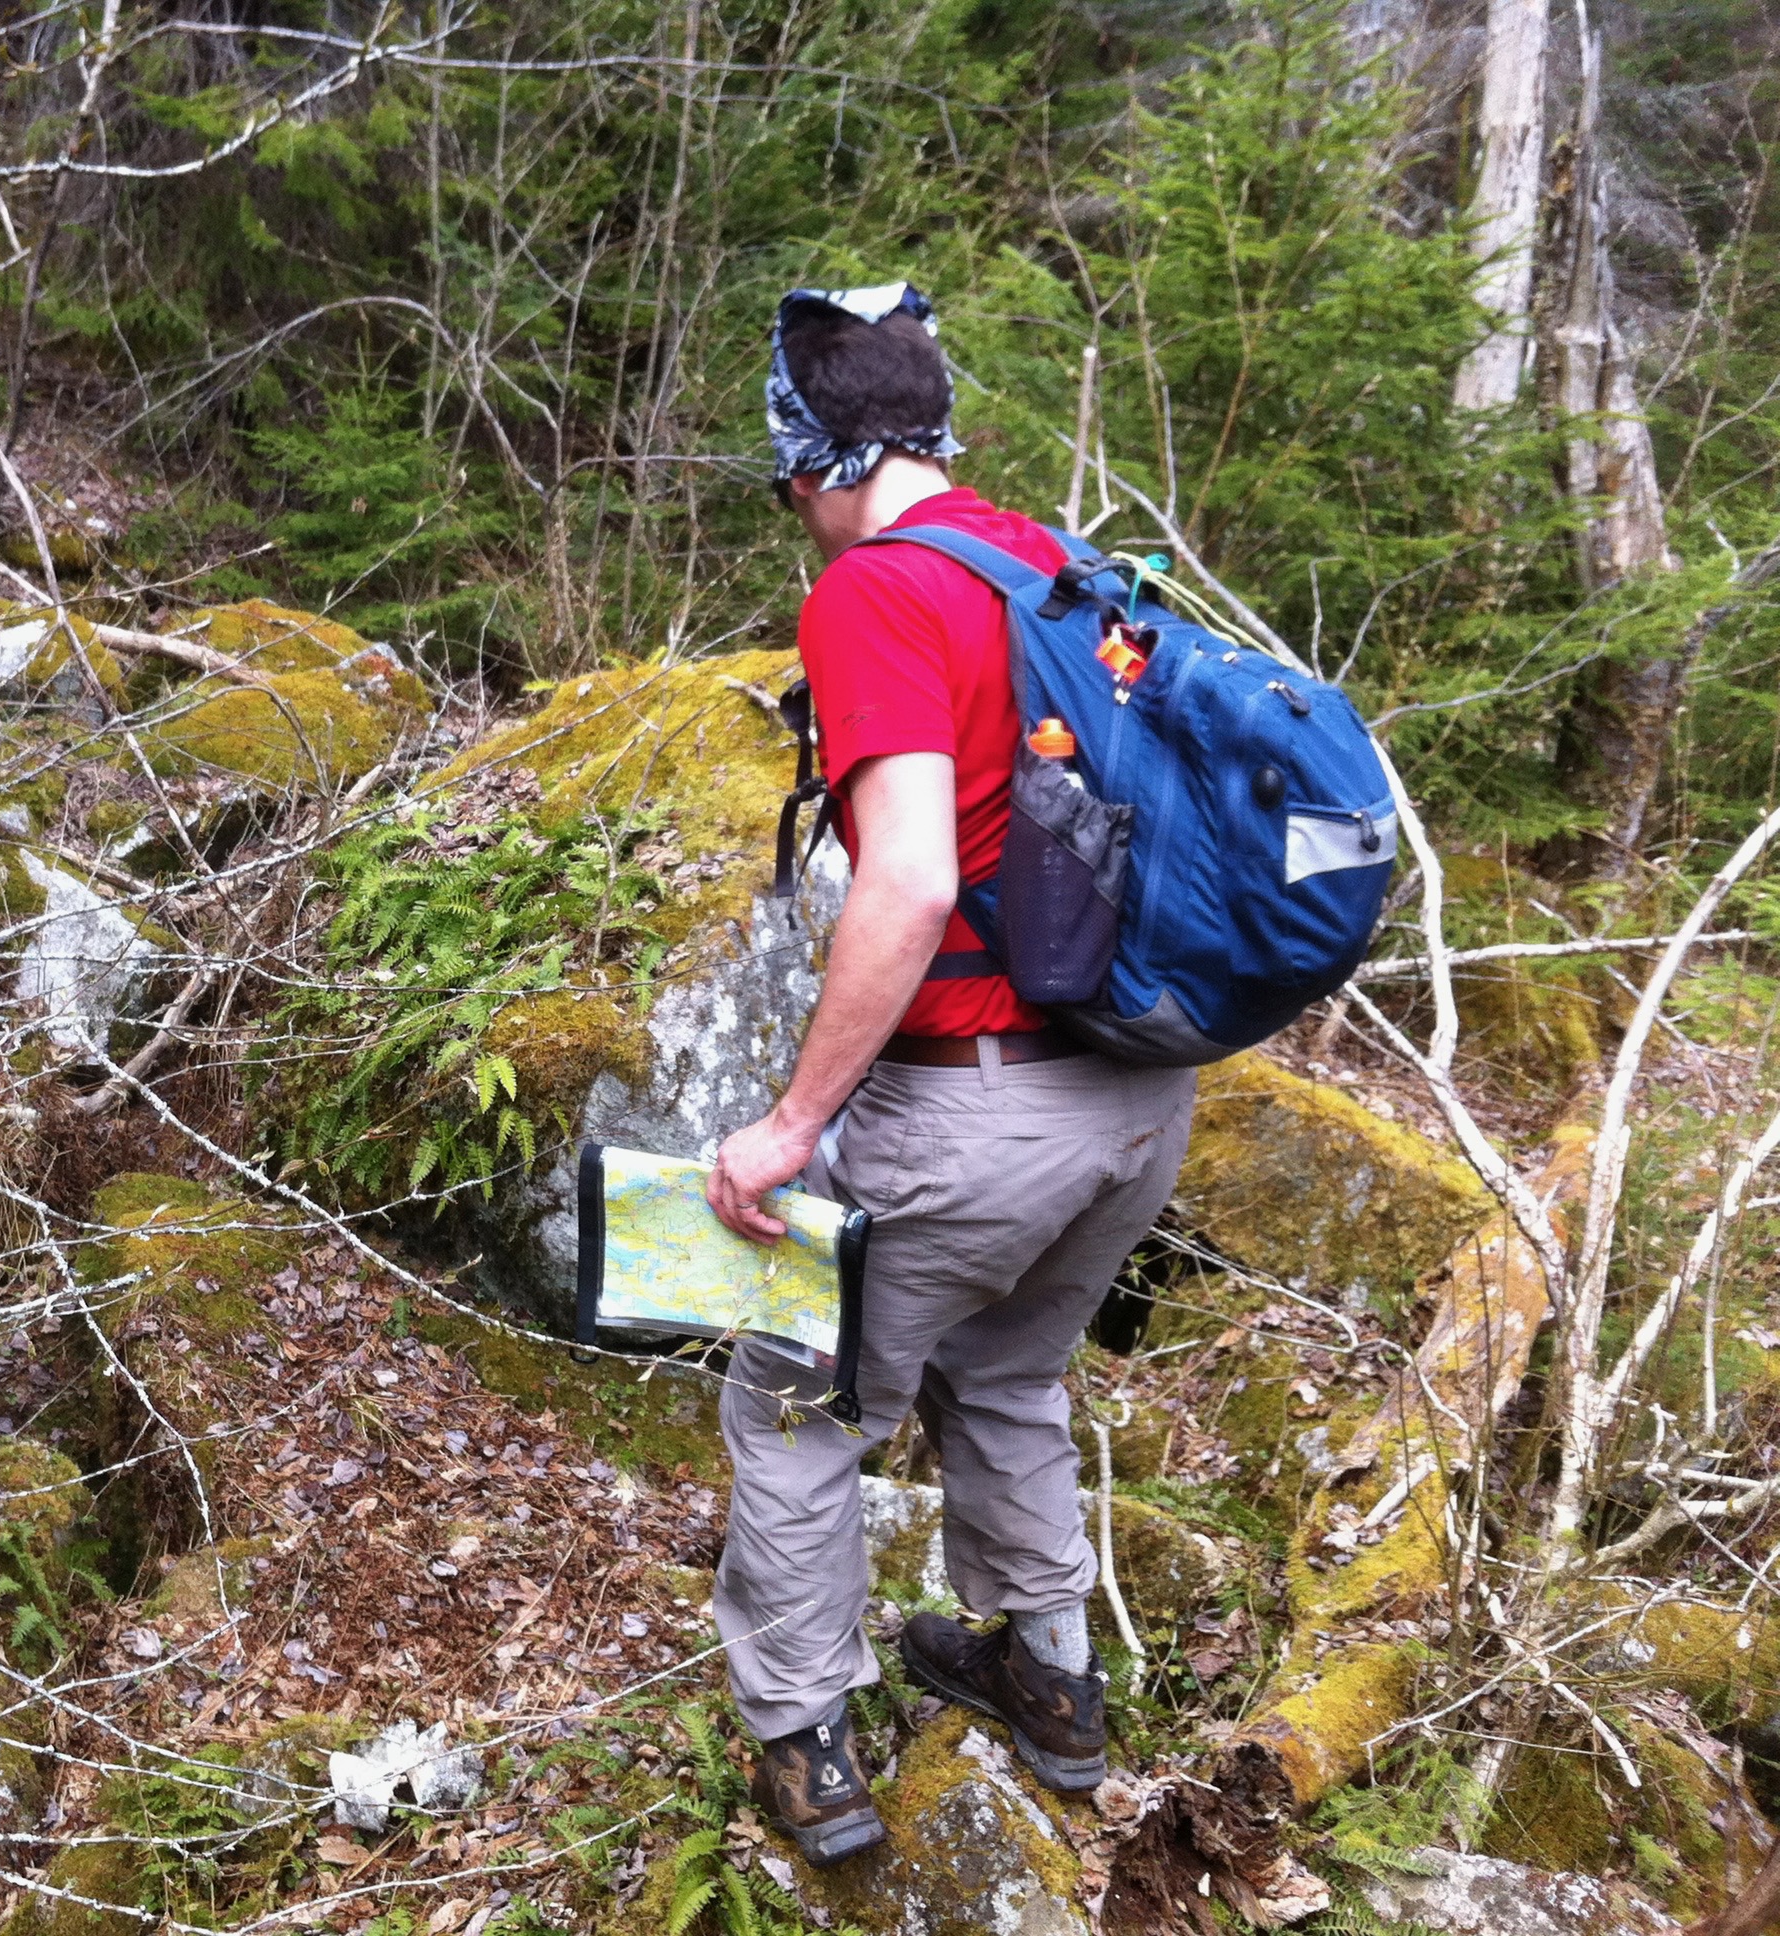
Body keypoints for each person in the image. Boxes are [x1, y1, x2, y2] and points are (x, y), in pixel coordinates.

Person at [700, 283, 1196, 1864]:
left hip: (976, 1103)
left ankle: (808, 1752)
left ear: (812, 460)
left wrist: (793, 1124)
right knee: (1010, 1372)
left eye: (785, 478)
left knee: (797, 1403)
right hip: (1138, 1099)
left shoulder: (876, 592)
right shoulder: (1053, 563)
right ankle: (1051, 1683)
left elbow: (910, 882)